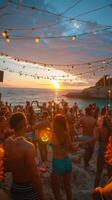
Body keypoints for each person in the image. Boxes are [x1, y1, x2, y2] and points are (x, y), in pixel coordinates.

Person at [4, 112, 46, 200]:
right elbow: (35, 176)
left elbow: (7, 166)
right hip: (28, 187)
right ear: (25, 124)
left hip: (15, 186)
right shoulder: (28, 147)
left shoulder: (7, 142)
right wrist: (42, 197)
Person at [50, 114, 77, 200]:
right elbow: (73, 149)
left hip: (58, 163)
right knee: (67, 186)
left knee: (56, 189)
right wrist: (77, 145)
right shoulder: (66, 135)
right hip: (67, 161)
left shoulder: (53, 135)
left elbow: (57, 149)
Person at [94, 117, 112, 188]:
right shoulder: (110, 130)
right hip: (109, 151)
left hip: (101, 149)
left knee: (98, 171)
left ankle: (95, 189)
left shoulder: (99, 129)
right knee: (110, 174)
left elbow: (97, 139)